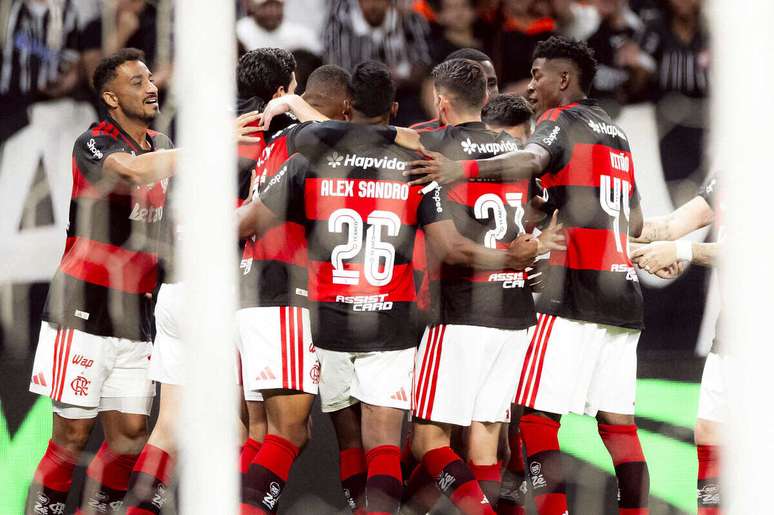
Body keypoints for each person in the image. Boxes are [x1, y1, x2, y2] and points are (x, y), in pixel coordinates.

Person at [239, 60, 541, 515]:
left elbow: (246, 221)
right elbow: (448, 245)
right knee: (387, 444)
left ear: (347, 106)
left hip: (326, 322)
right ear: (395, 108)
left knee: (323, 437)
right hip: (392, 321)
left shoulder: (309, 157)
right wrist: (512, 258)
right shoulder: (418, 163)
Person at [405, 36, 650, 515]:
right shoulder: (616, 133)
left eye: (538, 75)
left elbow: (533, 159)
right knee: (618, 426)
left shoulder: (561, 121)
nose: (531, 86)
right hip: (624, 295)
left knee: (534, 419)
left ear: (563, 78)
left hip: (572, 293)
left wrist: (463, 169)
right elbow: (635, 221)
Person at [403, 58, 564, 514]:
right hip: (514, 315)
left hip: (459, 313)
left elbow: (452, 251)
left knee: (428, 441)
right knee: (486, 444)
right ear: (488, 99)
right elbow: (541, 209)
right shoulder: (514, 151)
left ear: (440, 101)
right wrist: (529, 252)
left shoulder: (431, 145)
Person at [25, 48, 178, 515]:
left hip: (137, 314)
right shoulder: (94, 143)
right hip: (83, 308)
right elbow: (130, 173)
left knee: (130, 436)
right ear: (111, 97)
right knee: (71, 437)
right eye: (136, 81)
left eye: (150, 77)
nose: (150, 87)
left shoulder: (162, 143)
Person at [235, 64, 353, 514]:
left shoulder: (273, 145)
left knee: (264, 433)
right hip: (283, 292)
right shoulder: (303, 140)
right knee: (290, 432)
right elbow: (346, 140)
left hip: (253, 292)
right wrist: (295, 104)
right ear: (343, 105)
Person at [630, 174, 721, 515]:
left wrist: (682, 250)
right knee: (710, 432)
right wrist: (604, 227)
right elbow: (668, 226)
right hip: (726, 339)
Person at [411, 47, 499, 132]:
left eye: (491, 84)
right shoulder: (420, 138)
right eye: (473, 83)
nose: (486, 92)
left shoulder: (506, 138)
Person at [237, 0, 321, 55]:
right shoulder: (239, 32)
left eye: (276, 6)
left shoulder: (302, 35)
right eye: (266, 6)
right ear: (253, 7)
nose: (272, 12)